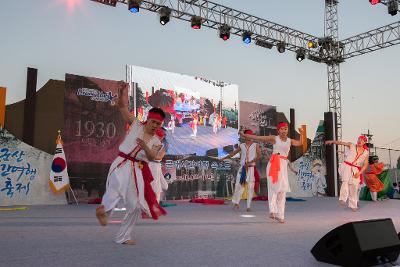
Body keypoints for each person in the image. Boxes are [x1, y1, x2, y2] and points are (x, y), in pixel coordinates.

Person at [95, 89, 167, 245]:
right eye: (153, 122)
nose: (155, 126)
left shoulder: (156, 141)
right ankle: (104, 210)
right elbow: (122, 107)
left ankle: (123, 236)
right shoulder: (135, 125)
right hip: (122, 163)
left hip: (138, 169)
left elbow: (152, 157)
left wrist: (145, 147)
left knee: (134, 206)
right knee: (116, 187)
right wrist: (121, 93)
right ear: (148, 119)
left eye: (158, 124)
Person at [240, 122, 304, 223]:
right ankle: (272, 211)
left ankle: (281, 215)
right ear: (278, 130)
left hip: (283, 166)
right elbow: (258, 138)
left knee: (282, 191)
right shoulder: (274, 138)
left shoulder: (289, 141)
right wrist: (244, 135)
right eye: (282, 129)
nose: (284, 130)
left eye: (286, 129)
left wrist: (302, 133)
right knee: (273, 188)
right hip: (273, 164)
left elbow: (300, 143)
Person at [325, 135, 369, 211]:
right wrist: (332, 141)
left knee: (354, 187)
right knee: (345, 182)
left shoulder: (366, 152)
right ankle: (342, 198)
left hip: (356, 169)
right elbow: (341, 143)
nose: (359, 141)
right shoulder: (351, 145)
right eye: (358, 139)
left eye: (361, 140)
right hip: (346, 166)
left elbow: (365, 165)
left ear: (365, 142)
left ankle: (353, 205)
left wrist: (359, 173)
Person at [221, 130, 261, 212]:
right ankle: (236, 203)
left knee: (250, 187)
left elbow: (259, 156)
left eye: (251, 136)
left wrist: (250, 162)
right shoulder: (242, 145)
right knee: (238, 186)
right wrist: (223, 158)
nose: (249, 138)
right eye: (248, 136)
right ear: (245, 137)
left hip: (251, 168)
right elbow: (232, 154)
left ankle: (248, 206)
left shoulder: (255, 145)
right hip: (242, 169)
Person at [150, 127, 169, 203]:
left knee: (156, 187)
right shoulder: (151, 142)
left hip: (155, 165)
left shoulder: (164, 144)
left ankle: (155, 206)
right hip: (150, 165)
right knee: (155, 186)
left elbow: (159, 157)